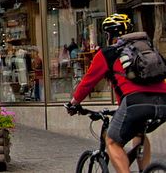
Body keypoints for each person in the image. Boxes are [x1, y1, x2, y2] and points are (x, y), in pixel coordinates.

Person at [67, 14, 166, 173]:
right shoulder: (147, 49)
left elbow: (87, 82)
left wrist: (73, 104)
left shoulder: (107, 53)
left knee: (112, 141)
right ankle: (147, 170)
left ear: (109, 35)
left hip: (135, 103)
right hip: (163, 101)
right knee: (139, 133)